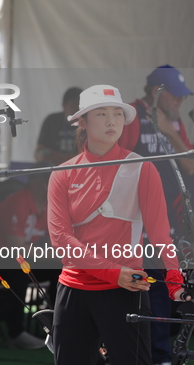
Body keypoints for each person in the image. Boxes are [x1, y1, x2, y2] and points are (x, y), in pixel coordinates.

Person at [48, 84, 189, 365]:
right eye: (100, 114)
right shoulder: (61, 174)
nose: (111, 121)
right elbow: (62, 240)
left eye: (117, 114)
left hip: (127, 289)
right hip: (75, 289)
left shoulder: (143, 167)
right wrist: (113, 273)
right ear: (83, 122)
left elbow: (161, 235)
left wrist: (175, 282)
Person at [118, 65, 193, 365]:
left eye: (182, 98)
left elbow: (189, 167)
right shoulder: (132, 117)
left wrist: (169, 131)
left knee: (164, 291)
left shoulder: (173, 123)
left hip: (167, 226)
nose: (179, 103)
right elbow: (114, 166)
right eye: (175, 97)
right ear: (155, 93)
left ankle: (160, 355)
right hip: (135, 226)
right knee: (143, 292)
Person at [0, 164, 59, 350]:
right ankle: (16, 334)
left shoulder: (48, 205)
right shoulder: (19, 202)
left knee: (60, 271)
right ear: (35, 183)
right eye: (49, 182)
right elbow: (17, 249)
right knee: (20, 272)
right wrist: (56, 254)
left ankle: (58, 327)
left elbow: (51, 241)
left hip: (17, 259)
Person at [35, 87, 82, 165]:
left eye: (82, 105)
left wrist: (57, 157)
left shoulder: (88, 123)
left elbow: (89, 156)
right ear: (64, 105)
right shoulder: (52, 120)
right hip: (53, 170)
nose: (79, 108)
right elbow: (38, 154)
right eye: (75, 104)